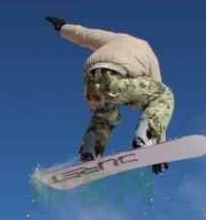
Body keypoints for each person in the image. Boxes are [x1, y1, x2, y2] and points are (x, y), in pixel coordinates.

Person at [45, 16, 174, 174]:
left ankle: (91, 149)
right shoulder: (150, 56)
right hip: (114, 79)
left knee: (105, 114)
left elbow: (84, 35)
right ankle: (147, 137)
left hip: (90, 83)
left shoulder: (116, 39)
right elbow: (157, 99)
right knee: (163, 95)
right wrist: (159, 148)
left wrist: (63, 28)